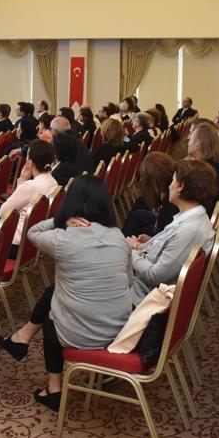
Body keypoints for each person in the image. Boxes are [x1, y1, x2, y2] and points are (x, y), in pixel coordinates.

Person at [19, 175, 135, 411]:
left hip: (82, 336)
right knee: (56, 294)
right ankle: (20, 340)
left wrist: (61, 221)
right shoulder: (118, 236)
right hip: (120, 330)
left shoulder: (63, 238)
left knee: (51, 317)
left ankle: (54, 388)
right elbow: (129, 283)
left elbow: (32, 232)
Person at [127, 159, 216, 299]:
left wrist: (131, 251)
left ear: (180, 186)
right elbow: (164, 252)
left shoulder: (189, 230)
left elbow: (154, 276)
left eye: (173, 181)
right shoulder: (190, 218)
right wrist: (142, 246)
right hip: (142, 283)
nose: (169, 186)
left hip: (140, 294)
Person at [0, 140, 57, 249]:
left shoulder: (29, 186)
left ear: (30, 162)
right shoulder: (54, 182)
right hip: (36, 242)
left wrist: (22, 179)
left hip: (16, 243)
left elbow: (3, 213)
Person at [122, 152, 178, 238]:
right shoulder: (174, 186)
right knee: (140, 206)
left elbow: (166, 230)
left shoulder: (170, 198)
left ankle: (124, 240)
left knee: (139, 217)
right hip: (170, 229)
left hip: (168, 234)